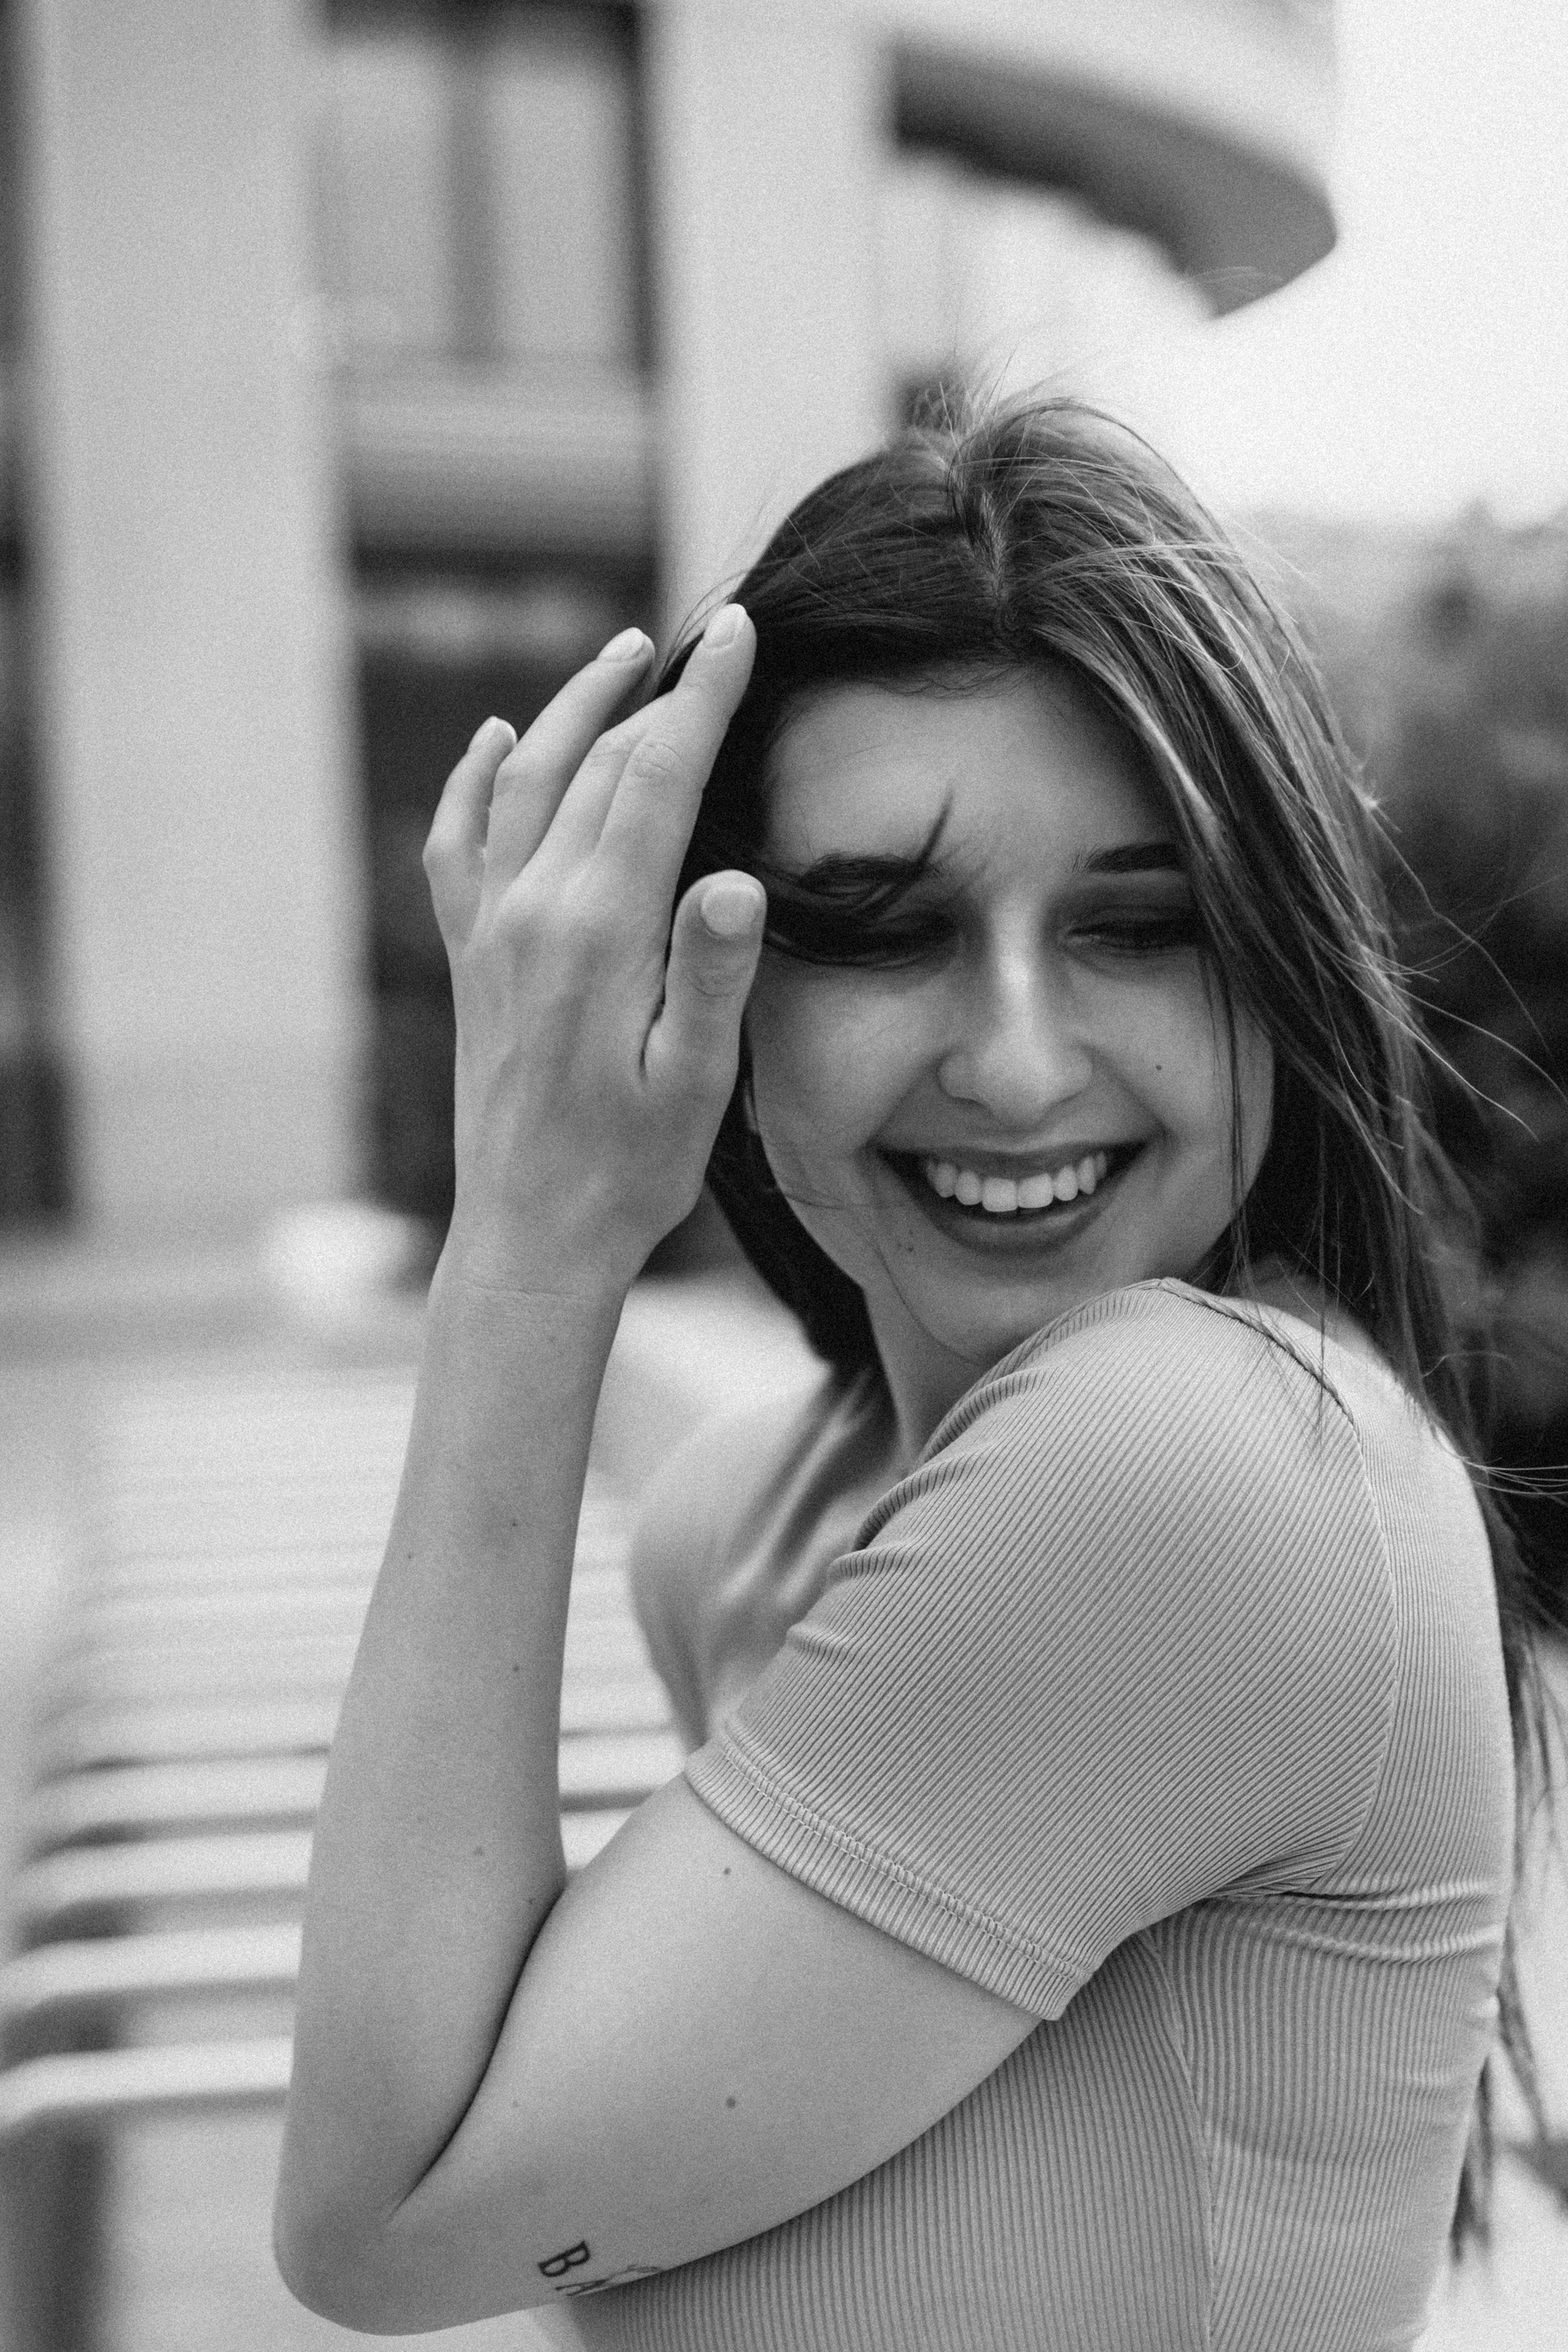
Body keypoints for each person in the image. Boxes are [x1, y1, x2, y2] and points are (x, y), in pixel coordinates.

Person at [274, 398, 1556, 2351]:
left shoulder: (1206, 1467)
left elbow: (382, 2219)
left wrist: (528, 1249)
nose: (1019, 1063)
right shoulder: (752, 1515)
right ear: (705, 976)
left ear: (1278, 968)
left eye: (1140, 926)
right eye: (883, 930)